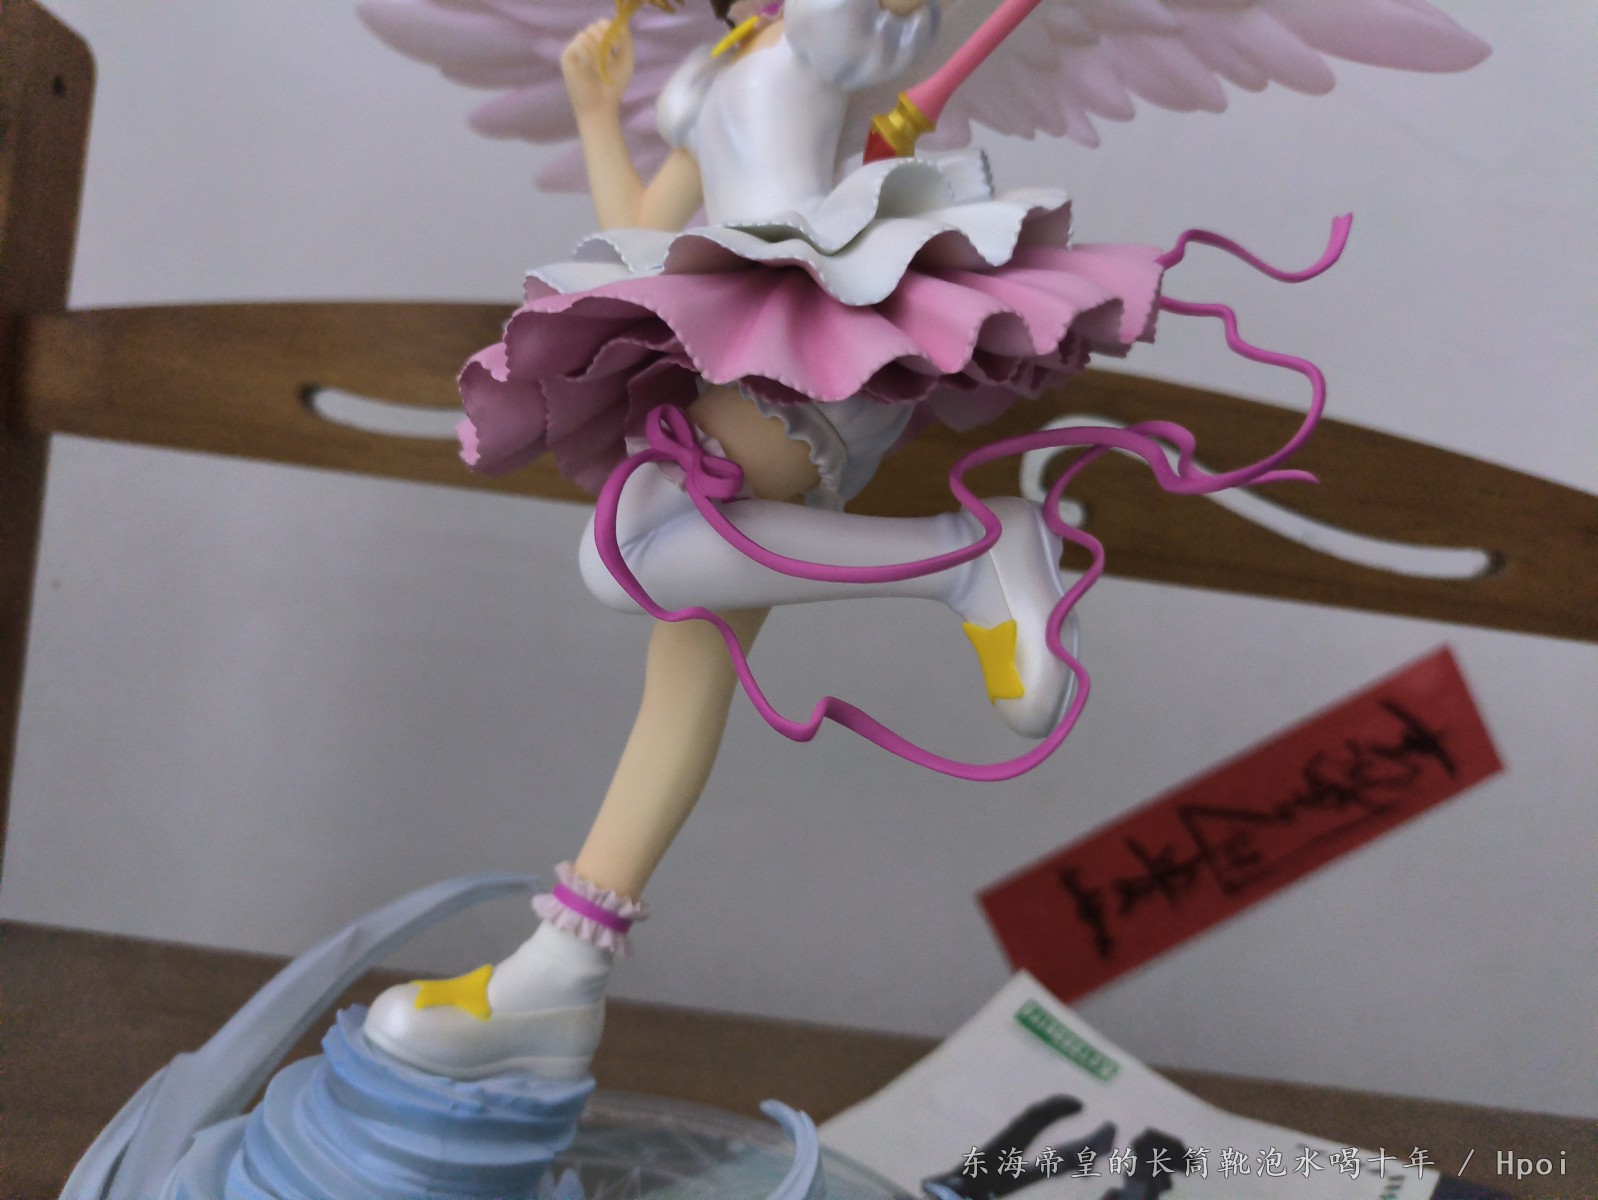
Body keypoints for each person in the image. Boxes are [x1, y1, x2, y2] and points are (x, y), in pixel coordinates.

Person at [362, 0, 1164, 1079]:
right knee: (683, 676)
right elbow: (642, 227)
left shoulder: (826, 24)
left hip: (801, 336)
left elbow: (874, 45)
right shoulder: (721, 66)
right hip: (749, 344)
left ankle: (967, 560)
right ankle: (560, 975)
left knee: (630, 551)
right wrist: (596, 110)